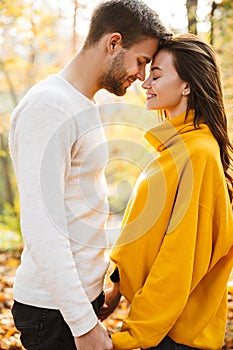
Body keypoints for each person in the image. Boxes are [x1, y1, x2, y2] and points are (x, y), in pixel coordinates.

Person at [9, 1, 172, 349]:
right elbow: (42, 229)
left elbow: (81, 210)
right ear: (113, 43)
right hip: (53, 314)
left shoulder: (81, 103)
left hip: (73, 305)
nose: (142, 77)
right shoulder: (49, 107)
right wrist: (83, 326)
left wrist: (99, 293)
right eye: (141, 61)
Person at [99, 33, 233, 350]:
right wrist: (117, 289)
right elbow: (148, 234)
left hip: (177, 336)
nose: (145, 83)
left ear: (187, 85)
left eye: (156, 75)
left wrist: (131, 336)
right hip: (162, 328)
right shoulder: (177, 147)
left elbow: (177, 261)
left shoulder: (198, 154)